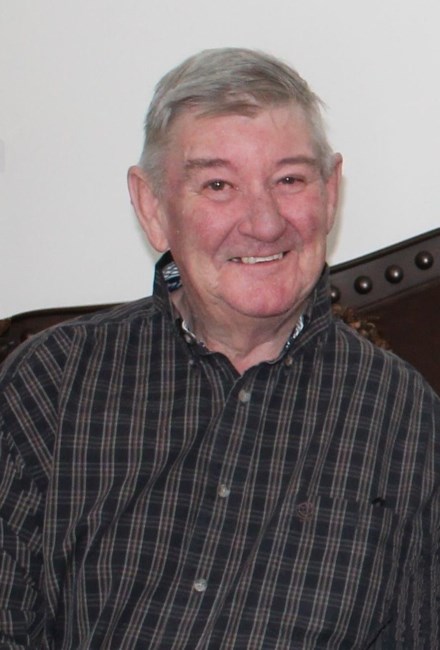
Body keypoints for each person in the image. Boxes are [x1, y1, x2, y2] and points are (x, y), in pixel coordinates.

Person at [0, 48, 439, 649]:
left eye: (289, 180)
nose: (263, 223)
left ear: (331, 192)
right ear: (153, 207)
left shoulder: (407, 421)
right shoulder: (50, 383)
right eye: (218, 185)